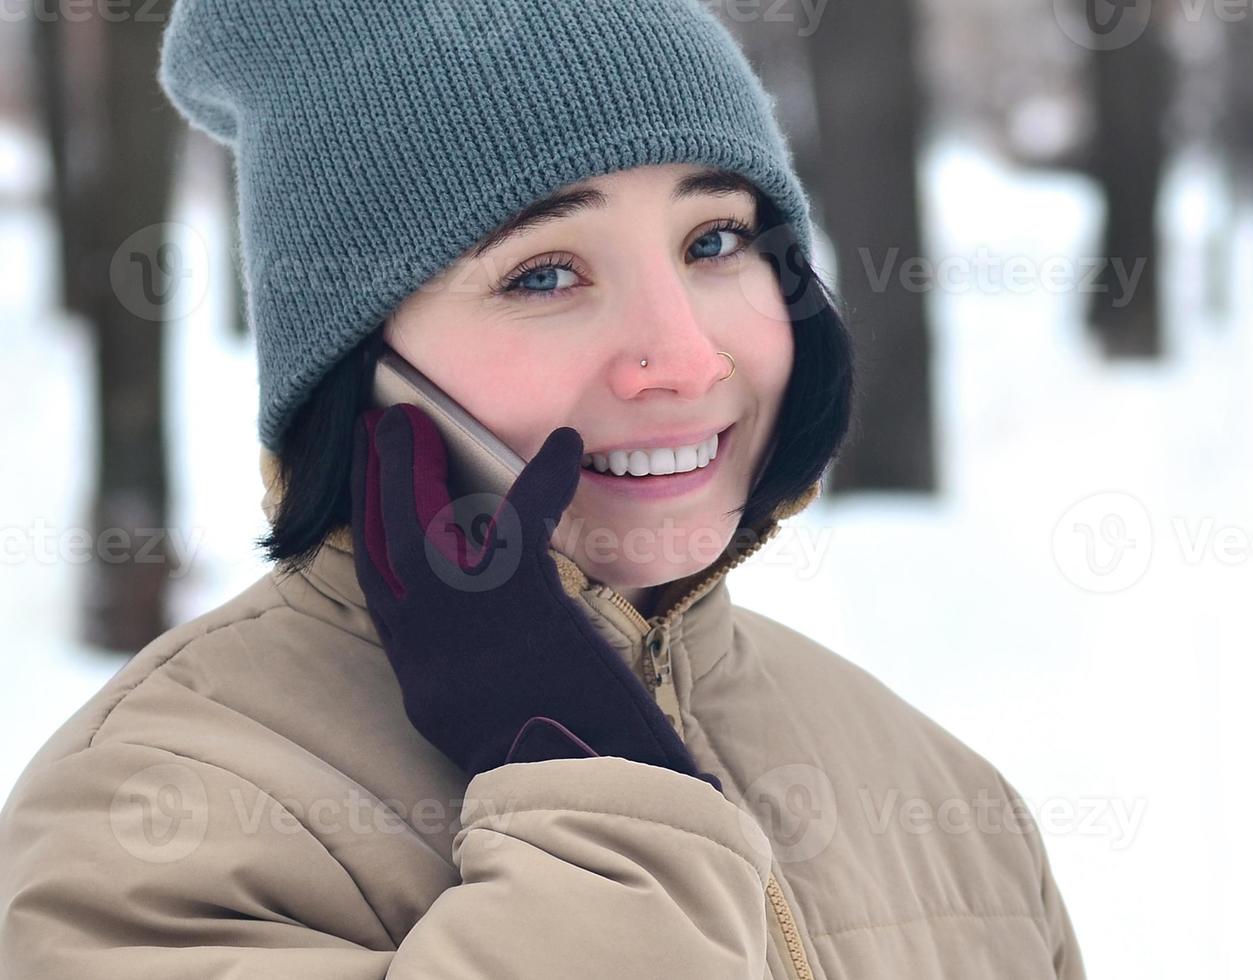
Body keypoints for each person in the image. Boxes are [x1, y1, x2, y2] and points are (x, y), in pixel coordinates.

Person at [0, 1, 1086, 977]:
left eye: (715, 240)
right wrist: (587, 777)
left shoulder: (945, 793)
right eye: (545, 273)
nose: (683, 359)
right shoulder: (147, 825)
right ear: (356, 367)